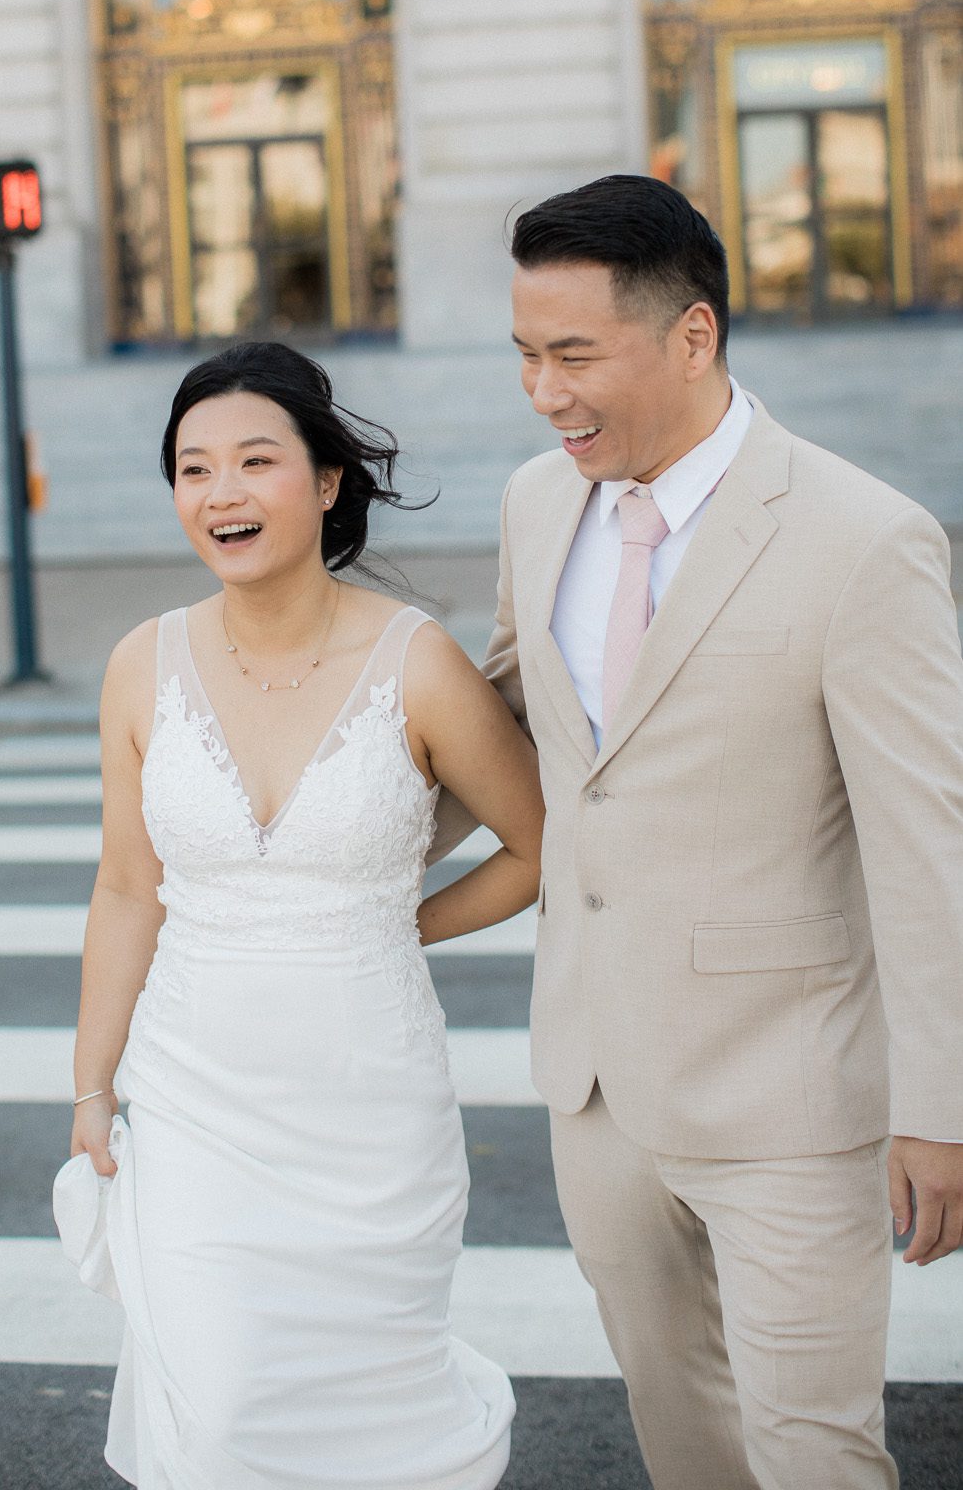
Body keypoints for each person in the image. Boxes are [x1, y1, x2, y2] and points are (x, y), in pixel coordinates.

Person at [433, 173, 963, 1489]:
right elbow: (508, 731)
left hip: (791, 1093)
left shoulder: (865, 539)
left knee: (814, 1449)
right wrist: (313, 852)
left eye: (572, 356)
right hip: (595, 1082)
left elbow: (928, 847)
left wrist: (943, 1110)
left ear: (691, 335)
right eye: (523, 356)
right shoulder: (536, 503)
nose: (542, 392)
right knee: (682, 1438)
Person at [71, 339, 545, 1490]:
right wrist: (91, 1084)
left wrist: (394, 926)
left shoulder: (417, 662)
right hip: (192, 1100)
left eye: (253, 460)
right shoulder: (141, 663)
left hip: (370, 1116)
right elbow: (127, 884)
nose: (219, 491)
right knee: (221, 1407)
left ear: (327, 481)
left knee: (367, 1412)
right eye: (192, 467)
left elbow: (538, 845)